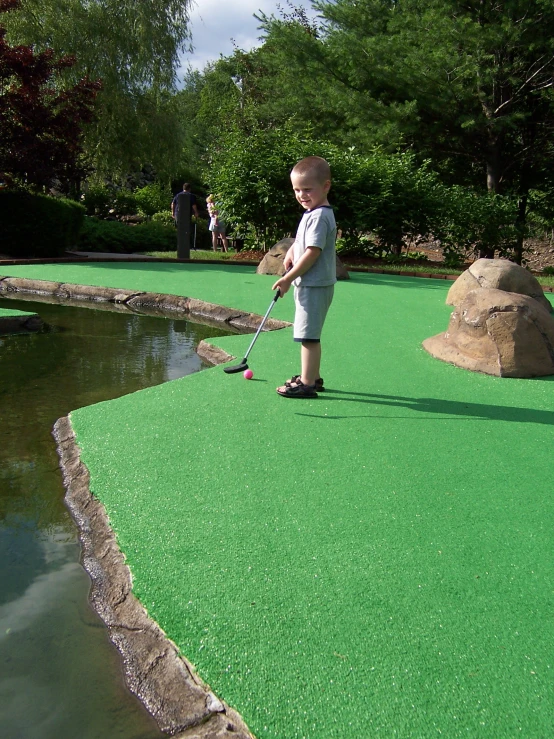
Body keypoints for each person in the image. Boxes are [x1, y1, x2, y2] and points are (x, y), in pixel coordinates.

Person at [272, 156, 337, 399]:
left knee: (308, 335)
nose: (301, 195)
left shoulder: (319, 216)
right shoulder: (313, 212)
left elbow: (313, 251)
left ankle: (307, 383)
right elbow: (303, 242)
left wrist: (288, 277)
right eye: (297, 190)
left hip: (314, 284)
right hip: (312, 284)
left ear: (326, 186)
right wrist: (291, 251)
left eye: (307, 189)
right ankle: (313, 377)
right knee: (308, 332)